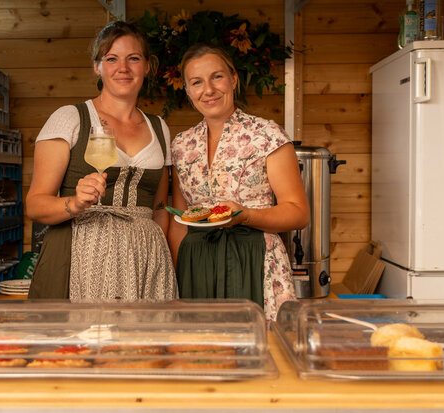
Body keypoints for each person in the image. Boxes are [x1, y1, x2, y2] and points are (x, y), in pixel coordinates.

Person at [26, 21, 177, 302]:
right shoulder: (70, 118)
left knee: (145, 343)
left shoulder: (159, 127)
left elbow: (158, 210)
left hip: (147, 259)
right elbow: (35, 204)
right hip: (83, 254)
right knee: (85, 341)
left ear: (146, 66)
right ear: (97, 67)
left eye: (134, 58)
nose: (123, 68)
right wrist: (75, 203)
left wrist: (158, 260)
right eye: (112, 59)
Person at [168, 43, 309, 321]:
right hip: (197, 260)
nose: (208, 89)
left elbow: (298, 212)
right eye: (196, 82)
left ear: (233, 79)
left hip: (255, 255)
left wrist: (245, 216)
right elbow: (179, 219)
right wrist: (179, 272)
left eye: (217, 77)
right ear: (187, 91)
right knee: (203, 353)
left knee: (259, 350)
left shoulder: (267, 134)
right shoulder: (181, 145)